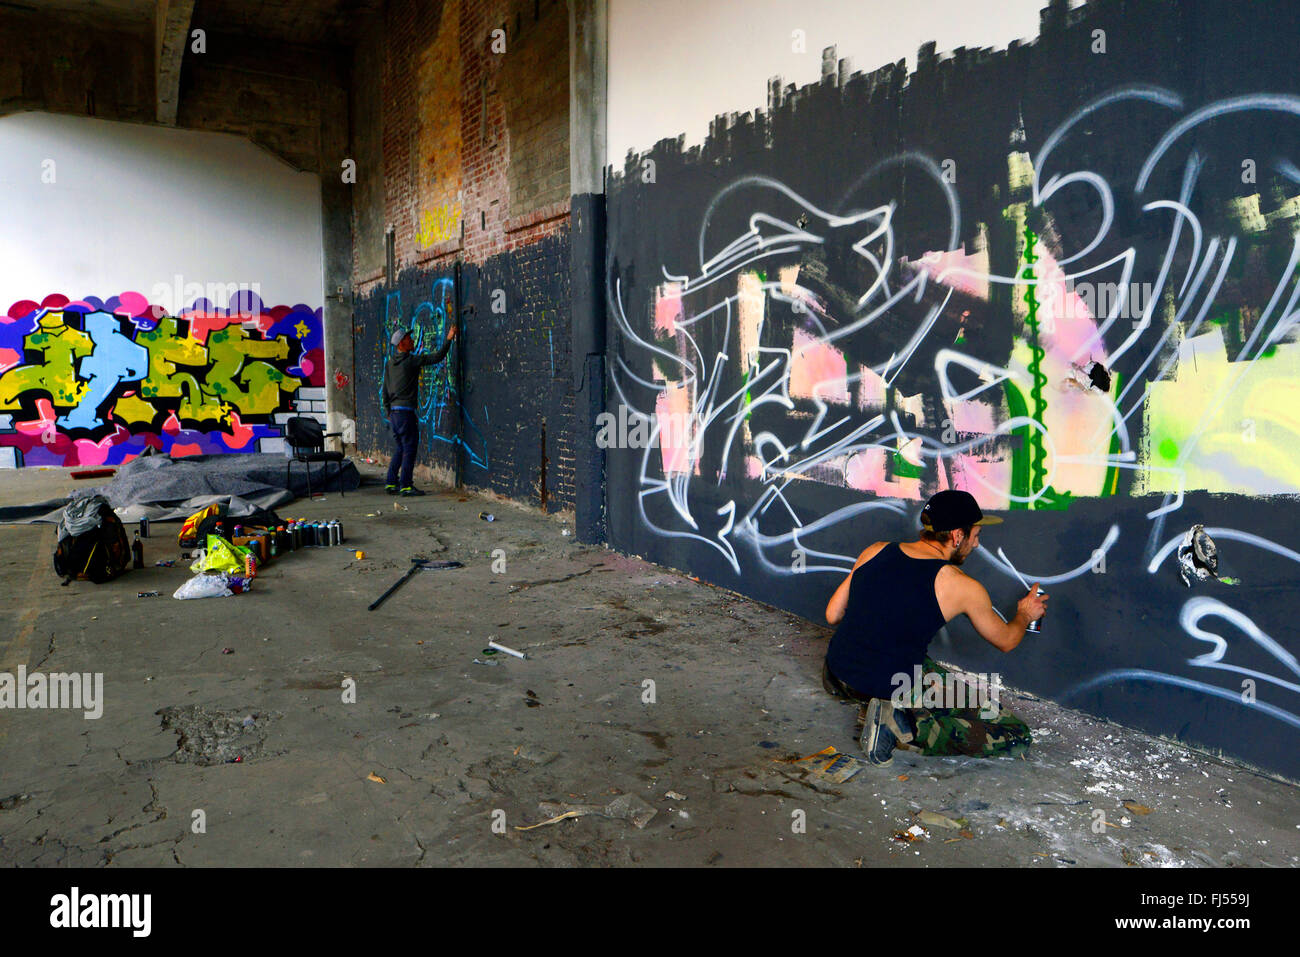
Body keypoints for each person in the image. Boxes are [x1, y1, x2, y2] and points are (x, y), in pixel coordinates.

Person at [822, 489, 1048, 766]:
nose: (976, 545)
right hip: (889, 684)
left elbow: (832, 614)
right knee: (1015, 734)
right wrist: (1025, 614)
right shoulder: (960, 585)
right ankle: (902, 726)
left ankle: (868, 700)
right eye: (975, 535)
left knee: (910, 658)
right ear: (957, 536)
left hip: (838, 673)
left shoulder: (876, 550)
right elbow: (1006, 640)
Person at [381, 323, 457, 496]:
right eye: (408, 339)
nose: (412, 340)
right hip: (406, 413)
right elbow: (437, 357)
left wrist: (389, 413)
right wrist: (449, 338)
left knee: (400, 447)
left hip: (394, 413)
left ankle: (391, 482)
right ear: (401, 344)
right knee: (409, 448)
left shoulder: (390, 364)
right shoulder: (411, 361)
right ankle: (406, 485)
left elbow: (385, 392)